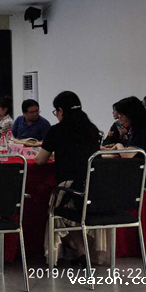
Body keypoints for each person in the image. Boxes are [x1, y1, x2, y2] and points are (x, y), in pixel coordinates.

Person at [34, 91, 102, 267]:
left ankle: (80, 250)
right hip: (95, 188)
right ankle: (79, 250)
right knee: (70, 208)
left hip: (71, 188)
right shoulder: (91, 129)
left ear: (61, 110)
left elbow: (40, 160)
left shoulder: (57, 130)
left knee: (59, 208)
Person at [108, 96, 146, 195]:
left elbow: (127, 154)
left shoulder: (144, 130)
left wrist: (118, 145)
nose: (120, 120)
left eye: (121, 116)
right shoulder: (139, 128)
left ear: (131, 115)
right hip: (138, 175)